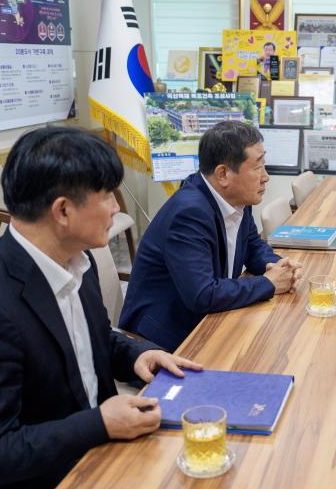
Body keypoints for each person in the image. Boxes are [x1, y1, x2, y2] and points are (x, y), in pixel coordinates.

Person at [0, 127, 200, 489]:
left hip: (103, 457)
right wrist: (98, 424)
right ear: (63, 211)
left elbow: (92, 339)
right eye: (106, 196)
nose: (115, 209)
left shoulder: (74, 261)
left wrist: (136, 355)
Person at [120, 121, 302, 352]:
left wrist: (278, 266)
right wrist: (268, 283)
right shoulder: (189, 213)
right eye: (257, 167)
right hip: (164, 342)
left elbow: (253, 246)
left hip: (209, 320)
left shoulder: (237, 199)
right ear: (223, 174)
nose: (266, 177)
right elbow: (202, 294)